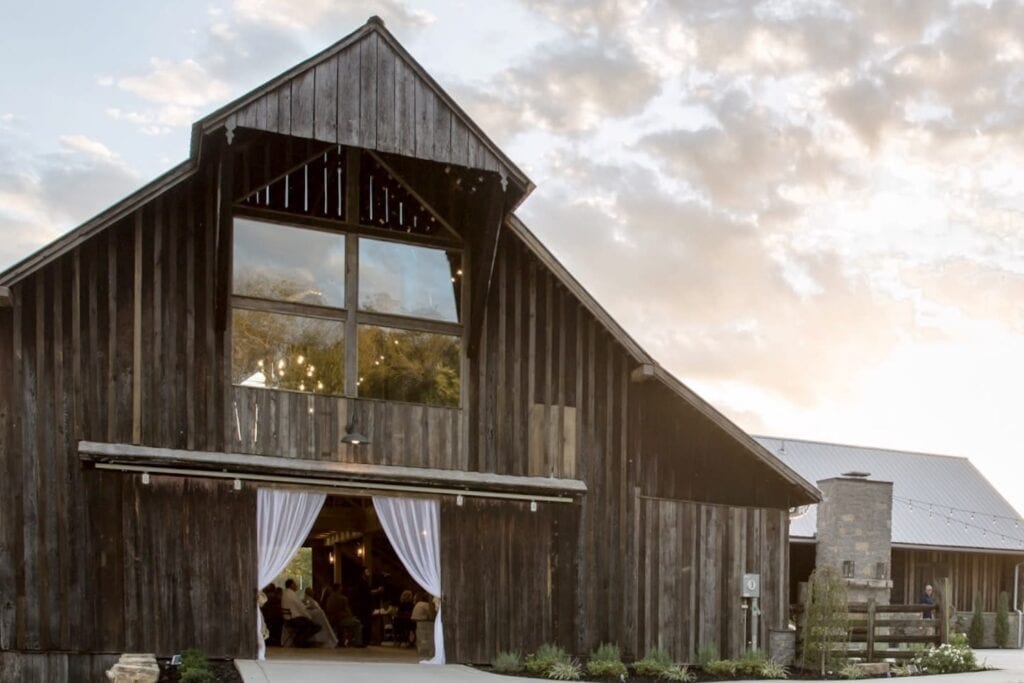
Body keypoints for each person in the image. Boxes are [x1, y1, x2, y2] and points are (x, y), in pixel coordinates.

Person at [281, 579, 321, 647]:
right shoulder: (292, 594)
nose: (296, 586)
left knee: (310, 624)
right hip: (293, 620)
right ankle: (300, 641)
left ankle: (299, 640)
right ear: (291, 585)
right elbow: (301, 608)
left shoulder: (285, 593)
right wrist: (309, 617)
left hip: (287, 619)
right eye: (295, 584)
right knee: (315, 626)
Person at [326, 582, 364, 647]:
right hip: (341, 619)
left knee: (348, 623)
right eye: (341, 587)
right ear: (339, 588)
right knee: (357, 623)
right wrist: (352, 617)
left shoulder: (329, 599)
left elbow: (328, 610)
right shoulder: (343, 598)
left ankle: (341, 642)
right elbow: (348, 611)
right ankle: (358, 643)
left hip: (331, 619)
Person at [412, 593, 437, 659]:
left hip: (418, 621)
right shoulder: (426, 605)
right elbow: (431, 614)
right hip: (425, 621)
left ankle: (421, 650)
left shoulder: (418, 603)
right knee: (429, 637)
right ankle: (430, 651)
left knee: (421, 636)